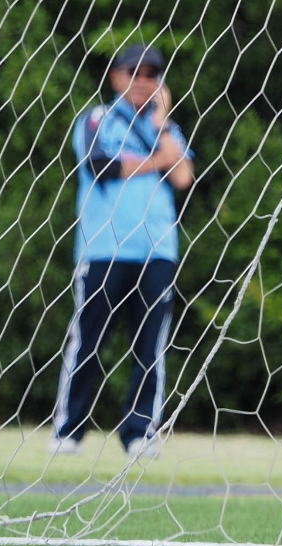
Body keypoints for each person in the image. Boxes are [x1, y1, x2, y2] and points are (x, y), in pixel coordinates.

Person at [50, 44, 195, 459]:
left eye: (152, 74)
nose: (144, 81)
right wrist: (157, 159)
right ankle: (69, 429)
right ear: (117, 76)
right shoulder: (98, 118)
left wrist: (163, 124)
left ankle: (140, 431)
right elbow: (102, 166)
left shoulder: (166, 127)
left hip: (157, 249)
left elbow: (183, 175)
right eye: (136, 72)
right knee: (88, 341)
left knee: (150, 346)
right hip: (104, 247)